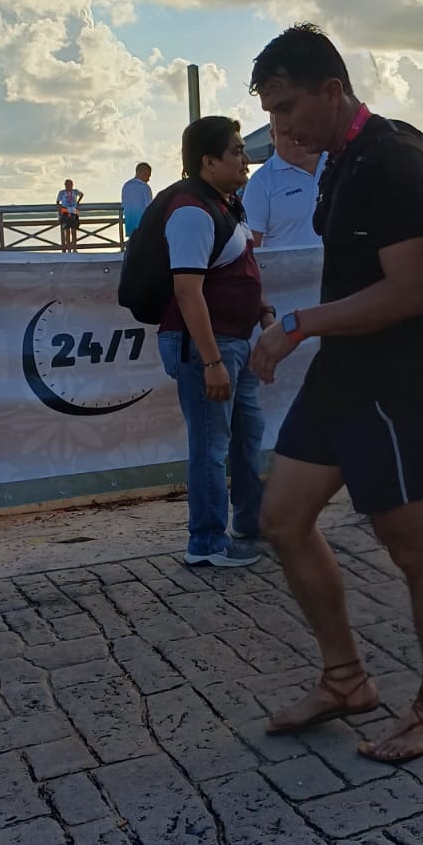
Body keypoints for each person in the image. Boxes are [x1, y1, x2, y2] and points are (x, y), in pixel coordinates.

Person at [248, 23, 423, 764]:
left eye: (286, 108)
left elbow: (409, 292)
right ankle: (345, 679)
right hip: (341, 374)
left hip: (392, 385)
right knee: (282, 520)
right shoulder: (340, 157)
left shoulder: (395, 158)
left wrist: (298, 324)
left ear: (332, 90)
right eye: (271, 113)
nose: (281, 127)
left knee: (414, 550)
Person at [157, 116, 276, 568]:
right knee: (211, 444)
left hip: (233, 342)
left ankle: (250, 521)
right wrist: (211, 362)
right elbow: (188, 291)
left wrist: (263, 312)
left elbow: (240, 270)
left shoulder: (226, 206)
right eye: (237, 151)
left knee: (246, 435)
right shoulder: (192, 212)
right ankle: (206, 543)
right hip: (207, 346)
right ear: (209, 161)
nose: (245, 159)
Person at [241, 122, 326, 248]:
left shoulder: (339, 164)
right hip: (285, 262)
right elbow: (250, 248)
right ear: (273, 136)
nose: (295, 138)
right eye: (286, 132)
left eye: (300, 129)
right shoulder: (260, 182)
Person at [121, 162, 153, 240]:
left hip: (130, 225)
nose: (148, 179)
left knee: (132, 244)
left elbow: (123, 204)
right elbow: (149, 208)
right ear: (142, 173)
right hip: (143, 226)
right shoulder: (144, 187)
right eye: (147, 175)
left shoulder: (126, 186)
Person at [56, 179, 83, 251]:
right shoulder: (62, 192)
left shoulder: (75, 191)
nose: (68, 186)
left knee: (74, 231)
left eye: (69, 184)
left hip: (74, 211)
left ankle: (74, 248)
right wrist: (60, 213)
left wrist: (78, 202)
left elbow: (81, 194)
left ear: (72, 185)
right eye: (66, 184)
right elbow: (57, 202)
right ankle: (68, 249)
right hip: (65, 211)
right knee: (67, 232)